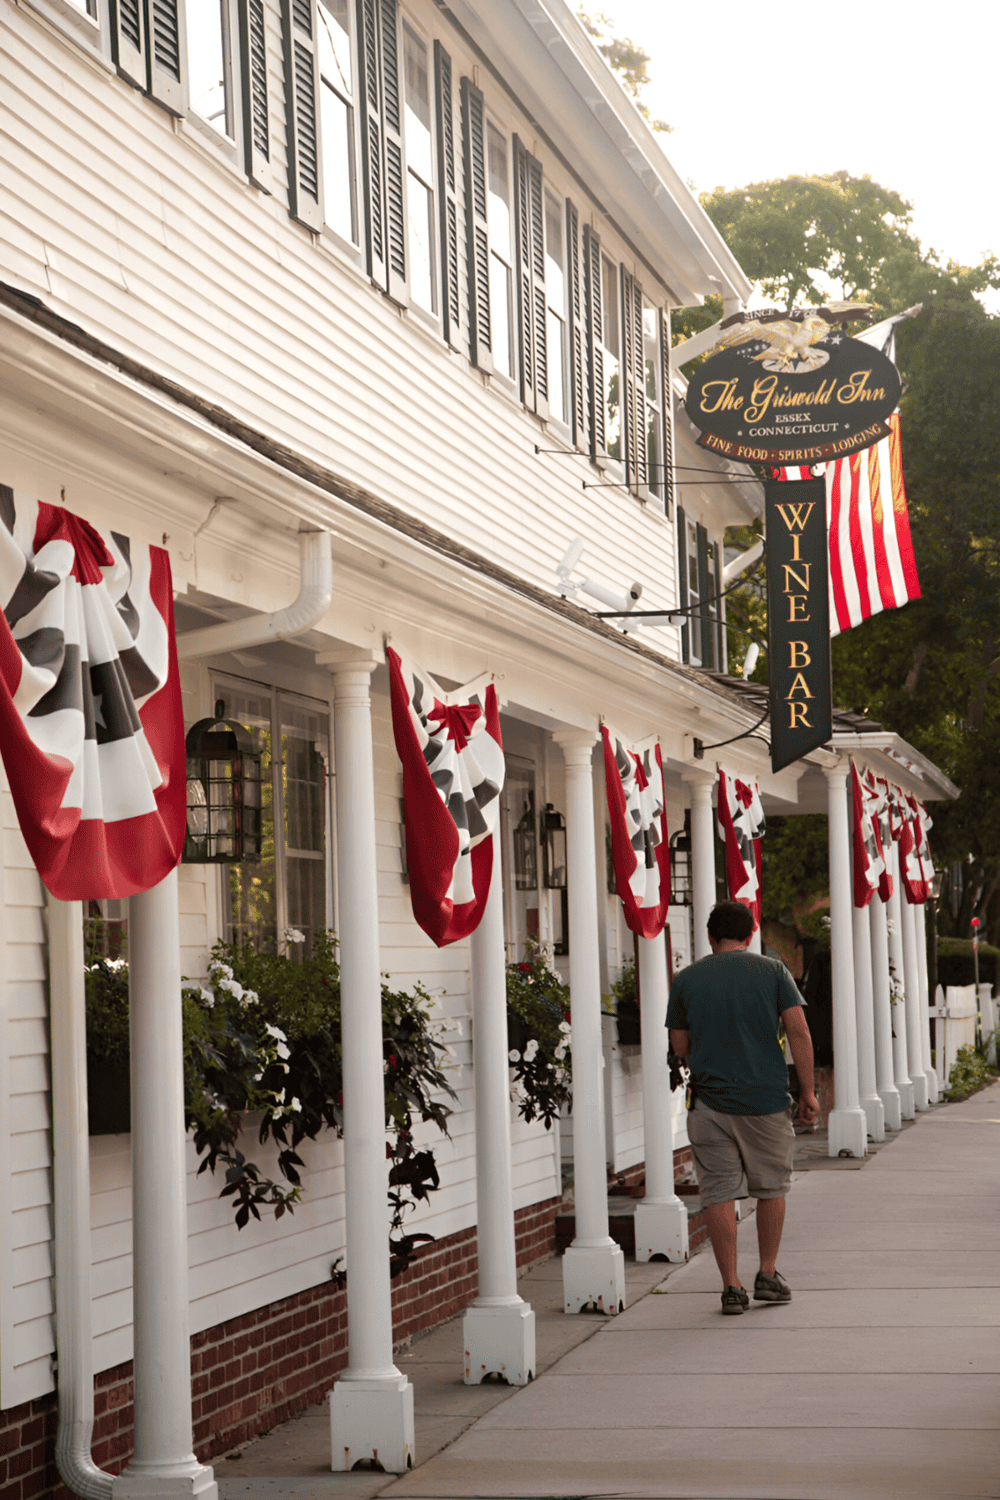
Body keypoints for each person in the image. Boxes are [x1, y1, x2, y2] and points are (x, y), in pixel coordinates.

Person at [666, 900, 819, 1316]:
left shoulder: (687, 979)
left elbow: (679, 1047)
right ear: (750, 935)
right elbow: (799, 1031)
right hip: (764, 1100)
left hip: (709, 1103)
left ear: (711, 938)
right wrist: (808, 1091)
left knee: (718, 1193)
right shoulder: (772, 972)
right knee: (771, 1188)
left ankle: (731, 1286)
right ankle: (767, 1274)